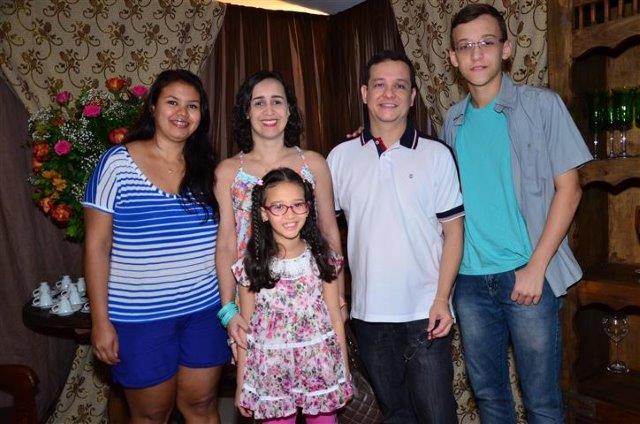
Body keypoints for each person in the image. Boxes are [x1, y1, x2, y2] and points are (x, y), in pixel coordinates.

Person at [442, 4, 592, 423]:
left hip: (528, 276)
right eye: (465, 46)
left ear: (506, 49)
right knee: (490, 399)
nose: (476, 54)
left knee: (542, 402)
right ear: (452, 58)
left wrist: (536, 267)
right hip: (469, 282)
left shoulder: (542, 106)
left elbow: (570, 189)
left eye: (486, 42)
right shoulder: (451, 122)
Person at [83, 69, 230, 423]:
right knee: (151, 415)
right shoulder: (116, 164)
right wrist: (100, 322)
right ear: (153, 106)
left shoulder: (208, 169)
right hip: (140, 318)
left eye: (192, 106)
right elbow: (96, 246)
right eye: (172, 102)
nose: (183, 113)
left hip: (204, 312)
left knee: (202, 407)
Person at [327, 50, 464, 423]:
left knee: (438, 414)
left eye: (400, 86)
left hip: (426, 312)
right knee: (394, 415)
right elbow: (326, 238)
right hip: (368, 314)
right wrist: (337, 300)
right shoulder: (339, 157)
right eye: (380, 85)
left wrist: (442, 300)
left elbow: (454, 232)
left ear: (413, 96)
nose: (389, 94)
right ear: (364, 93)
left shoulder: (436, 155)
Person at [214, 70, 346, 357]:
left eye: (277, 101)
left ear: (289, 109)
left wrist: (339, 297)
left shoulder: (314, 164)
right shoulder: (227, 172)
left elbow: (329, 231)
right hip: (251, 299)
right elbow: (226, 243)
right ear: (246, 112)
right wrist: (228, 309)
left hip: (311, 298)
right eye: (259, 103)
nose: (269, 110)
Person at [232, 167, 352, 423]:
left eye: (298, 205)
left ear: (308, 208)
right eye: (278, 207)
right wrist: (242, 384)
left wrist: (343, 372)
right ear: (263, 213)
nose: (290, 214)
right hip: (271, 373)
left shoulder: (323, 258)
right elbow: (247, 330)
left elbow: (335, 319)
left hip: (319, 368)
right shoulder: (252, 266)